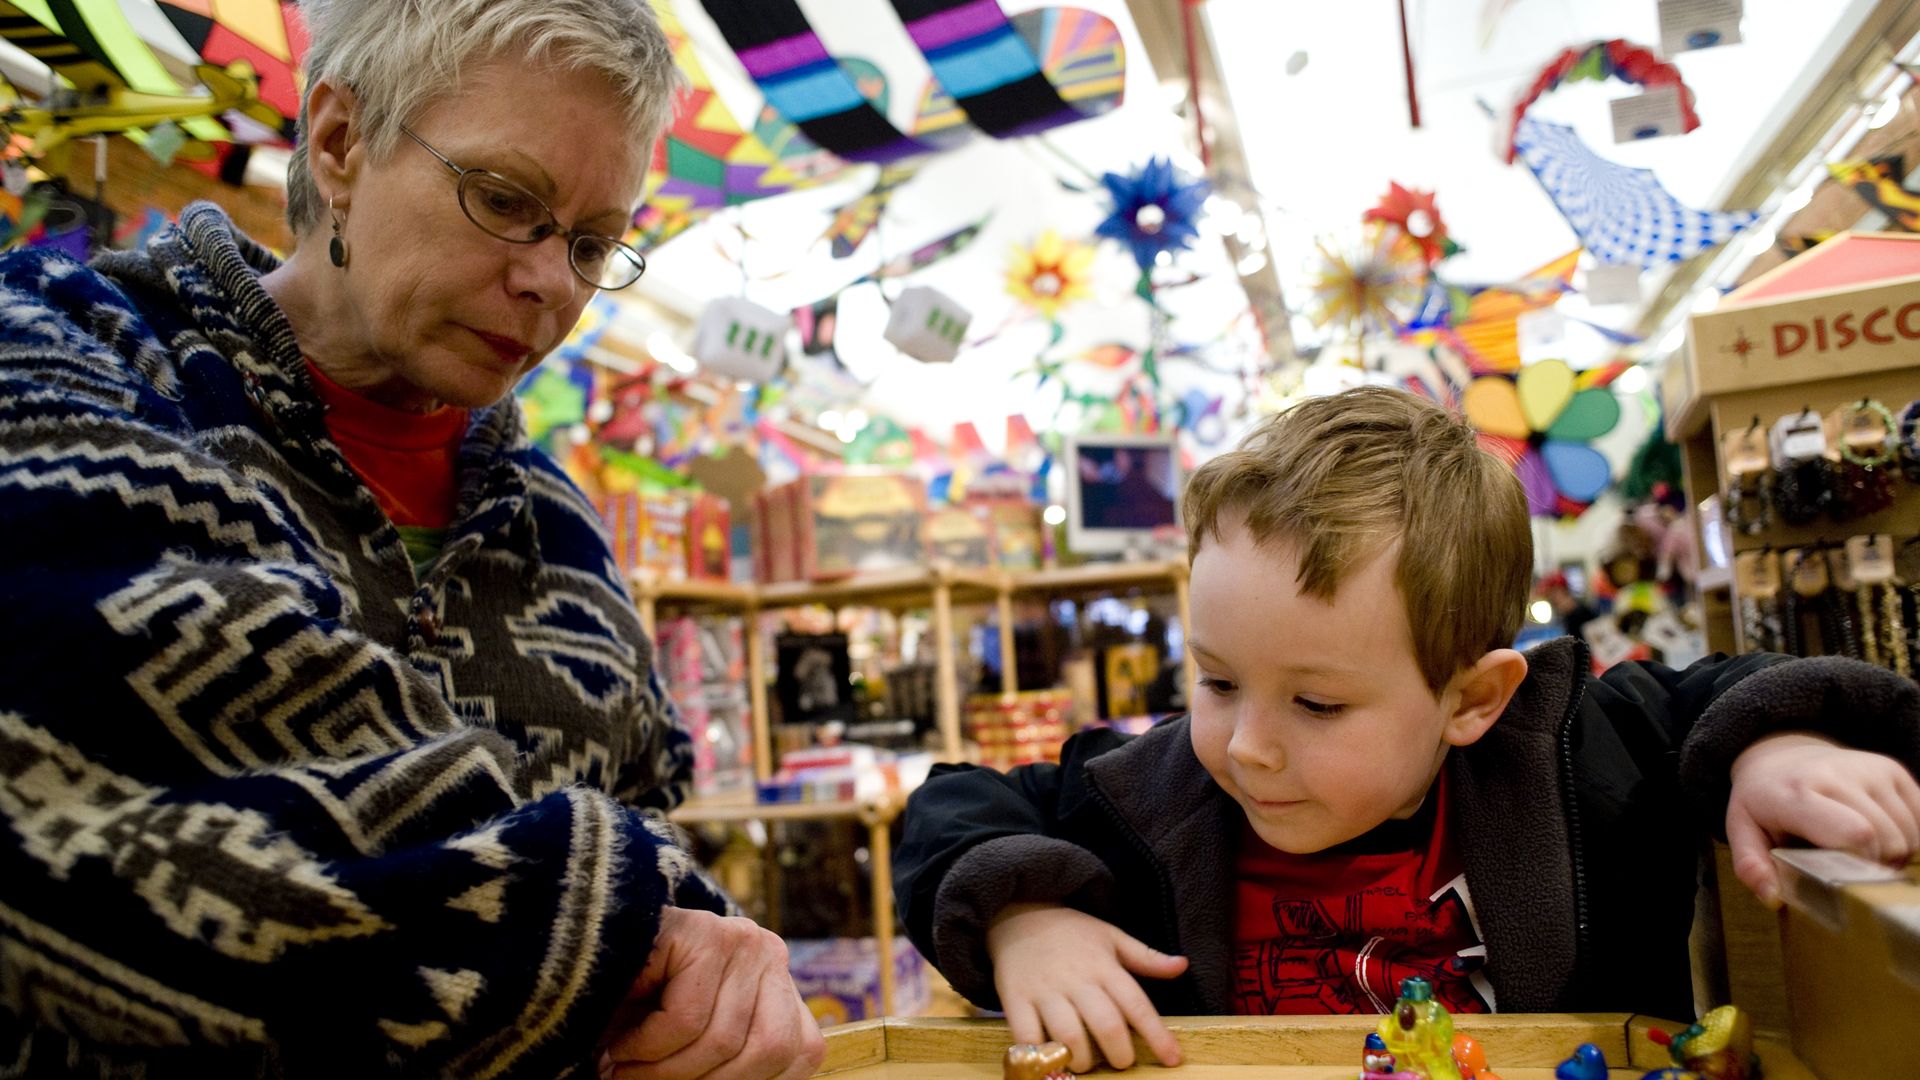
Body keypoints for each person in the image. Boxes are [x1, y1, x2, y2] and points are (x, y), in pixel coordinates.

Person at [0, 1, 824, 1077]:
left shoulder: (559, 524)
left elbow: (645, 837)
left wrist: (721, 981)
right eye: (503, 199)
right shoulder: (67, 357)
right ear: (341, 142)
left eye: (591, 243)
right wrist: (624, 930)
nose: (551, 284)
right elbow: (134, 763)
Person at [894, 387, 1920, 1075]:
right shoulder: (1151, 796)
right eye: (1214, 680)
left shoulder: (1572, 754)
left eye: (1317, 703)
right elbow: (954, 802)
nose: (1246, 744)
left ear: (1471, 699)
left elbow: (1728, 689)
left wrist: (1774, 747)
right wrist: (1026, 917)